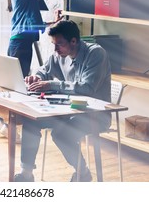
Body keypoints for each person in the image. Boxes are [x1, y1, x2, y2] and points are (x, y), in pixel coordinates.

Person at [14, 20, 112, 182]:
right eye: (53, 44)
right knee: (31, 121)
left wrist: (51, 84)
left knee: (61, 134)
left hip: (96, 114)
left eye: (59, 44)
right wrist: (36, 77)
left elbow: (88, 88)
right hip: (68, 110)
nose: (55, 49)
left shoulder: (96, 54)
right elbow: (44, 70)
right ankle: (26, 173)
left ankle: (83, 173)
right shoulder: (59, 53)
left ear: (73, 41)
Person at [0, 0, 70, 139]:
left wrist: (52, 23)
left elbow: (30, 22)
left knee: (16, 82)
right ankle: (6, 123)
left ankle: (3, 122)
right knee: (19, 84)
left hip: (21, 40)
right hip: (21, 43)